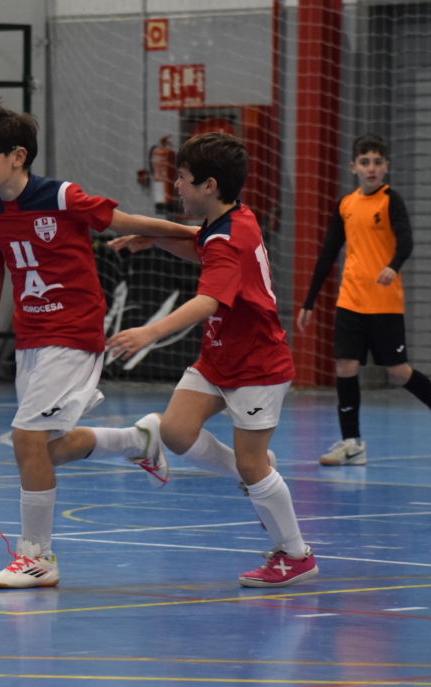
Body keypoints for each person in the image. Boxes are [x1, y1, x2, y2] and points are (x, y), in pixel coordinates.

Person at [0, 101, 196, 589]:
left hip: (73, 332)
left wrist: (193, 232)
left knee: (26, 440)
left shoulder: (60, 196)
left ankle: (37, 557)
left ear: (18, 156)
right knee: (45, 449)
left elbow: (125, 220)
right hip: (30, 338)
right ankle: (139, 440)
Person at [107, 132, 318, 588]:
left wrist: (148, 332)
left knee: (252, 464)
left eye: (182, 178)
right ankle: (254, 470)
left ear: (209, 185)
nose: (176, 185)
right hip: (219, 357)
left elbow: (207, 300)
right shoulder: (232, 219)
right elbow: (197, 241)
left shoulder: (229, 240)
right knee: (175, 431)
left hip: (257, 366)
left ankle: (295, 554)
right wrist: (155, 238)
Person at [297, 134, 431, 466]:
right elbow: (328, 254)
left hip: (384, 303)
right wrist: (309, 302)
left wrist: (393, 266)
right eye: (365, 162)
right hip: (350, 300)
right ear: (353, 167)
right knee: (345, 365)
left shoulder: (390, 201)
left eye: (377, 162)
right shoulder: (346, 205)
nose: (371, 168)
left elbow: (406, 241)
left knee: (398, 371)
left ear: (386, 167)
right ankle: (352, 443)